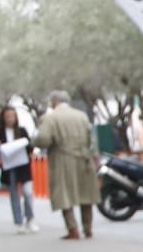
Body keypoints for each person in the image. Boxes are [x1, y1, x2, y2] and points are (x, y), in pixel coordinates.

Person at [32, 89, 97, 241]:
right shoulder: (82, 116)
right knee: (86, 194)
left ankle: (72, 229)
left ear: (54, 102)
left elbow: (43, 139)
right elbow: (91, 140)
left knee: (64, 194)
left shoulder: (50, 118)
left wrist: (34, 140)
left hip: (62, 159)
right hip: (83, 157)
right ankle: (88, 228)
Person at [0, 103, 35, 231]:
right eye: (8, 116)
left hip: (23, 165)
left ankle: (30, 218)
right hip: (9, 166)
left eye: (12, 116)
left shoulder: (22, 131)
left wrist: (27, 145)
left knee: (28, 192)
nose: (10, 119)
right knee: (14, 194)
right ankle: (19, 222)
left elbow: (29, 148)